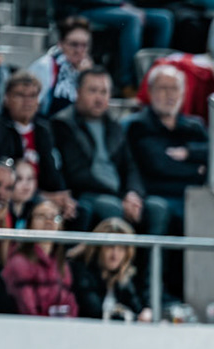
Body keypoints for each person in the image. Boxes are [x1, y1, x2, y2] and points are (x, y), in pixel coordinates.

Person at [53, 66, 170, 234]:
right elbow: (77, 174)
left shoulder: (114, 126)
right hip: (86, 194)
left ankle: (155, 261)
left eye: (104, 92)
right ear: (78, 92)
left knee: (158, 208)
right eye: (93, 91)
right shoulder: (63, 124)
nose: (99, 98)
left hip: (117, 195)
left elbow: (130, 166)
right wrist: (122, 197)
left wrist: (133, 194)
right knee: (111, 208)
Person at [127, 64, 209, 229]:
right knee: (160, 210)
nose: (169, 95)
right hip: (154, 195)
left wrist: (189, 153)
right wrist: (196, 170)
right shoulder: (138, 125)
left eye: (175, 88)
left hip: (192, 195)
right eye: (163, 88)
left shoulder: (194, 125)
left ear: (183, 92)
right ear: (150, 91)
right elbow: (158, 164)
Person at [0, 71, 72, 220]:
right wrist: (44, 196)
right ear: (6, 99)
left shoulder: (43, 129)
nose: (27, 102)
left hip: (40, 194)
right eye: (20, 95)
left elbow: (52, 169)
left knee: (79, 211)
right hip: (11, 195)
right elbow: (1, 174)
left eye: (33, 96)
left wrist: (63, 195)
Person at [2, 199, 75, 316]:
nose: (49, 221)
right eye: (41, 216)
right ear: (29, 224)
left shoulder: (62, 262)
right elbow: (26, 307)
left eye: (55, 217)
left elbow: (69, 303)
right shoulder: (19, 262)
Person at [70, 216, 148, 319]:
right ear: (98, 248)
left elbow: (136, 308)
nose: (115, 255)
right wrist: (129, 316)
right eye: (110, 246)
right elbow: (94, 312)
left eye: (121, 248)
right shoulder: (81, 271)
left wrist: (145, 313)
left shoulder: (123, 277)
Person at [30, 16, 95, 116]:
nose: (79, 50)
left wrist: (85, 78)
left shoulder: (88, 71)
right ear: (61, 44)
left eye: (84, 45)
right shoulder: (46, 65)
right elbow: (30, 106)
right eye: (74, 44)